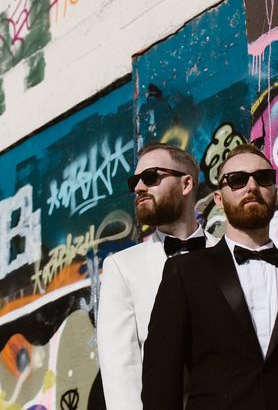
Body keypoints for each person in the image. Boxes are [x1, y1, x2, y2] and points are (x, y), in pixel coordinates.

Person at [142, 142, 278, 410]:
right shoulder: (185, 273)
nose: (251, 186)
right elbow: (161, 379)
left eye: (263, 178)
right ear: (219, 199)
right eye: (237, 180)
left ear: (275, 194)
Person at [96, 142, 217, 410]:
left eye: (150, 177)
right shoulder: (122, 267)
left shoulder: (226, 255)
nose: (139, 187)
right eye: (135, 181)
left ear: (186, 184)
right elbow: (121, 372)